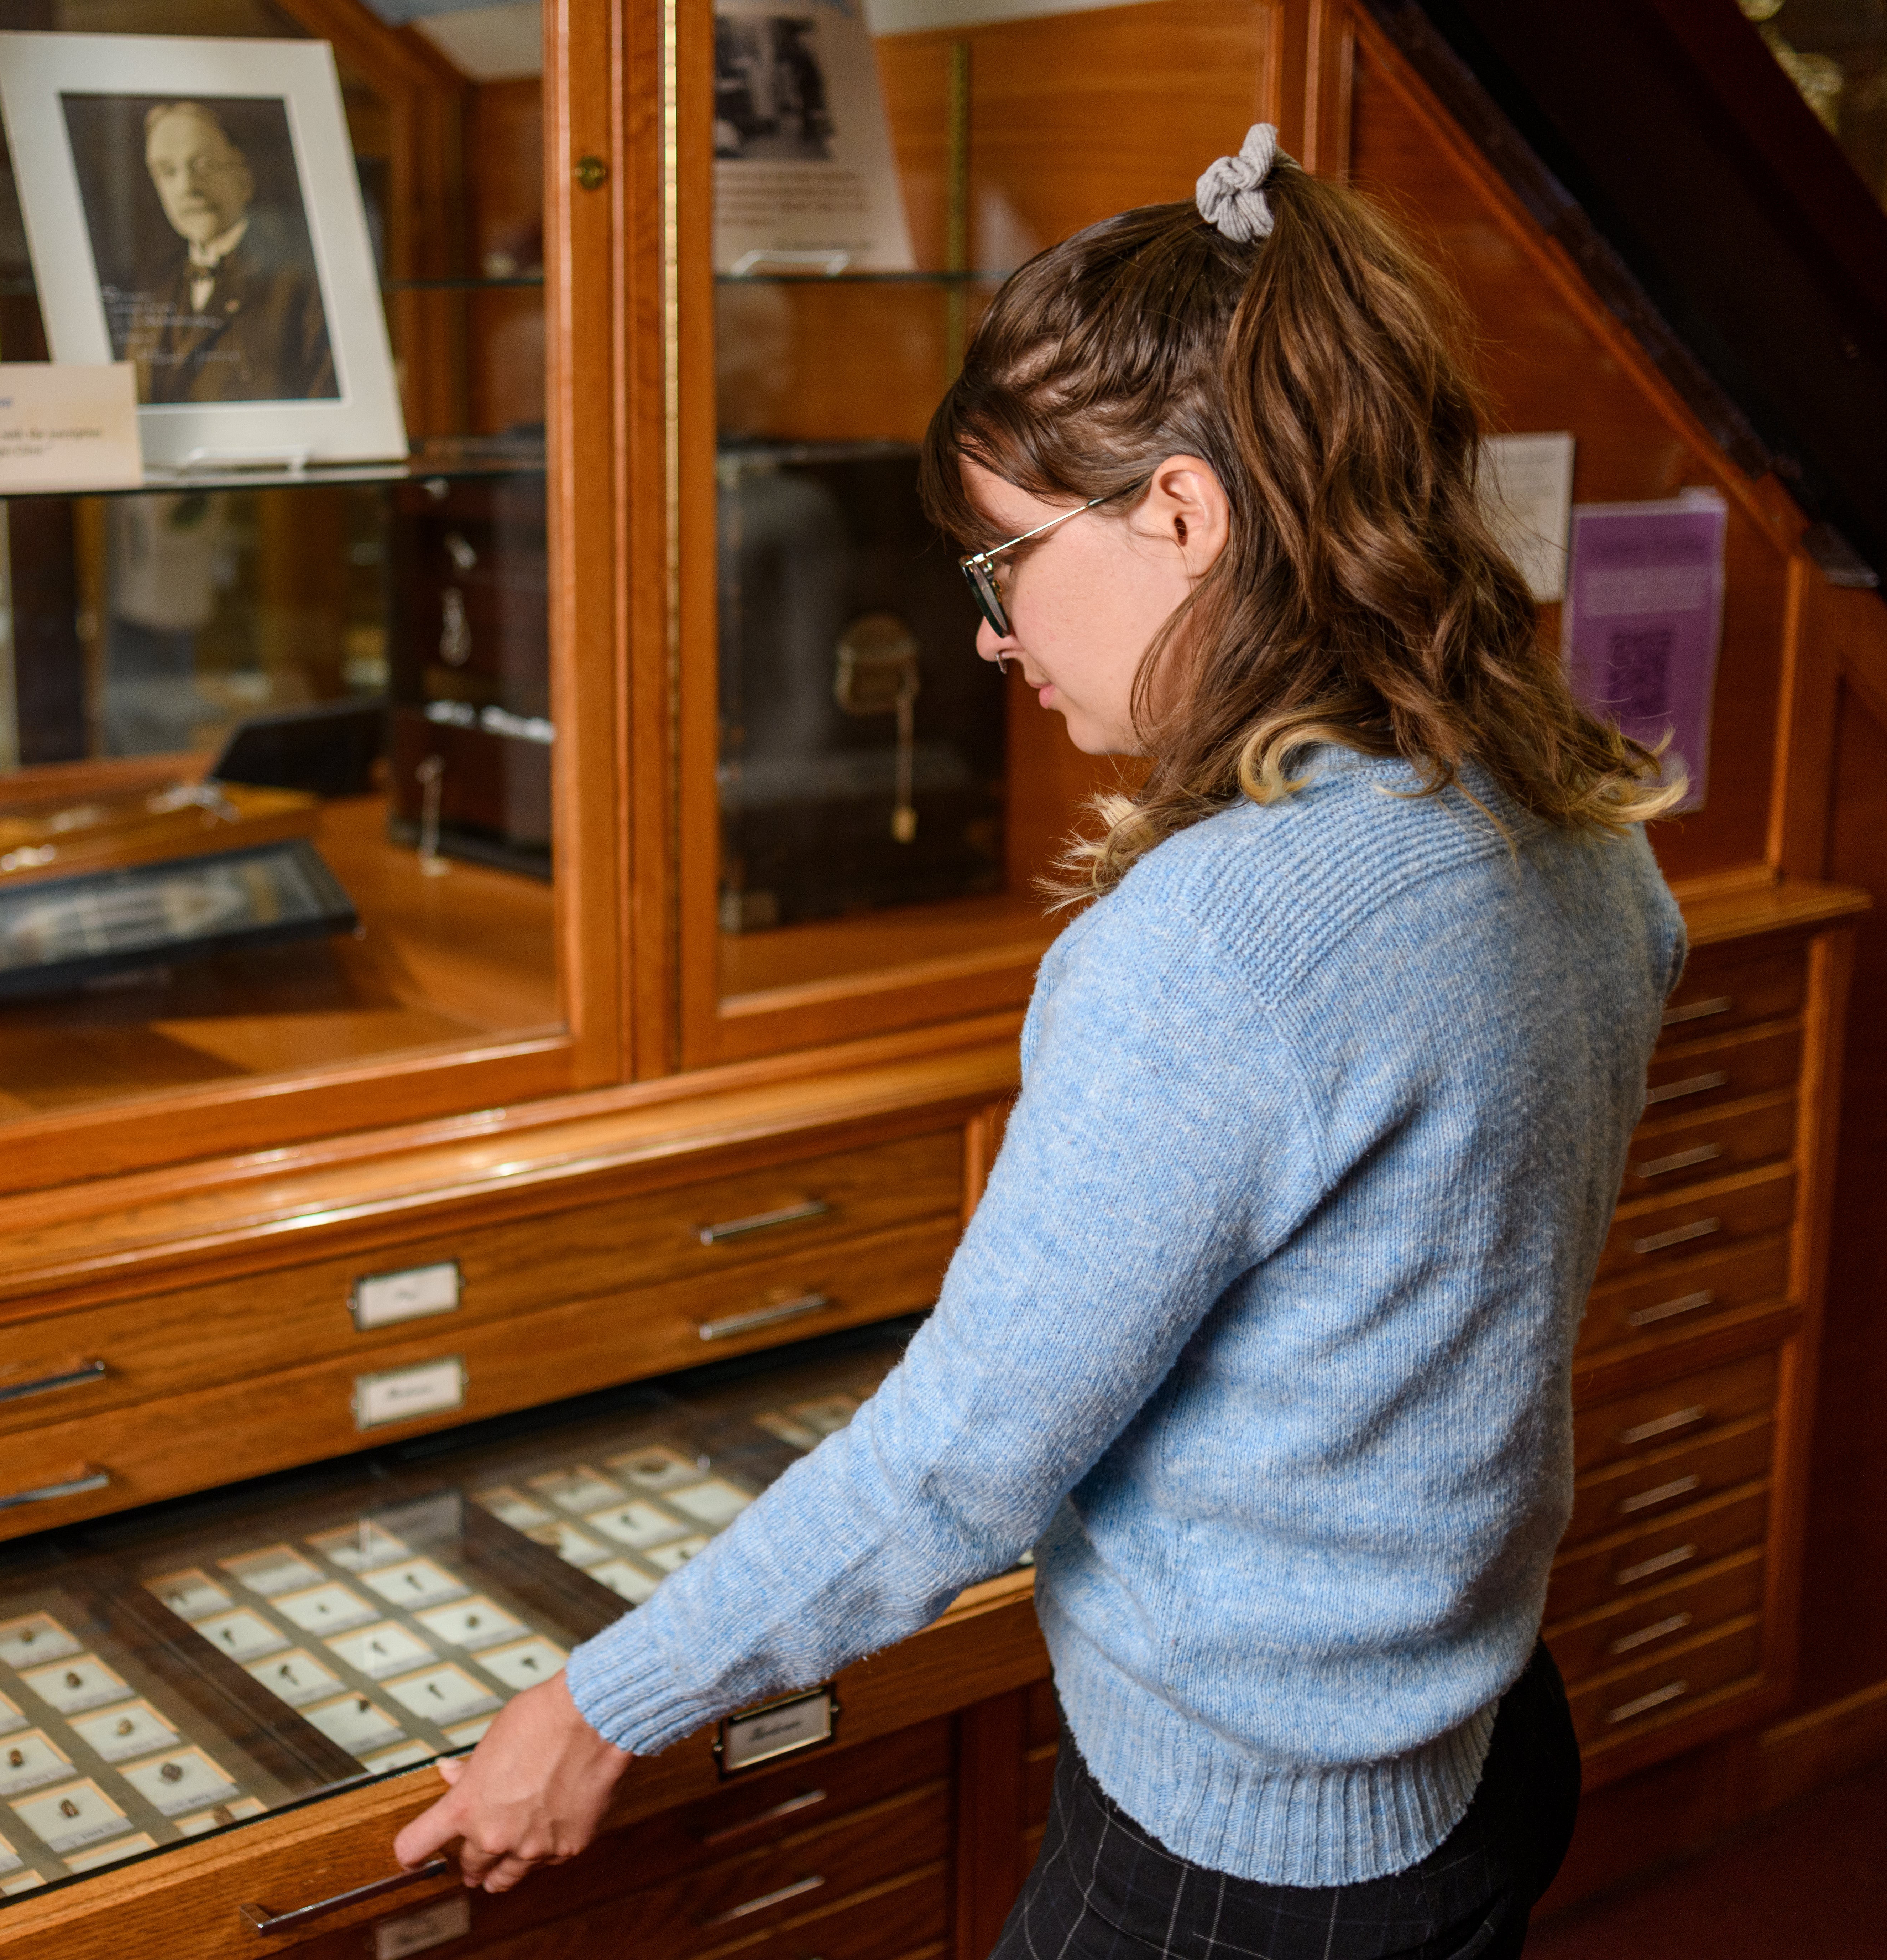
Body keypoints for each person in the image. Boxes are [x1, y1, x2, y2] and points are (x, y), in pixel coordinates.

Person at [393, 123, 1687, 1959]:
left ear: (1180, 511)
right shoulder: (1570, 808)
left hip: (1250, 1848)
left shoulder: (1212, 942)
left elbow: (962, 1456)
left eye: (1002, 560)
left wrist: (595, 1702)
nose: (987, 633)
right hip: (1472, 1737)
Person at [123, 101, 336, 405]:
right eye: (167, 172)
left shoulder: (301, 282)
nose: (187, 188)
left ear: (243, 174)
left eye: (202, 165)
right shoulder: (153, 284)